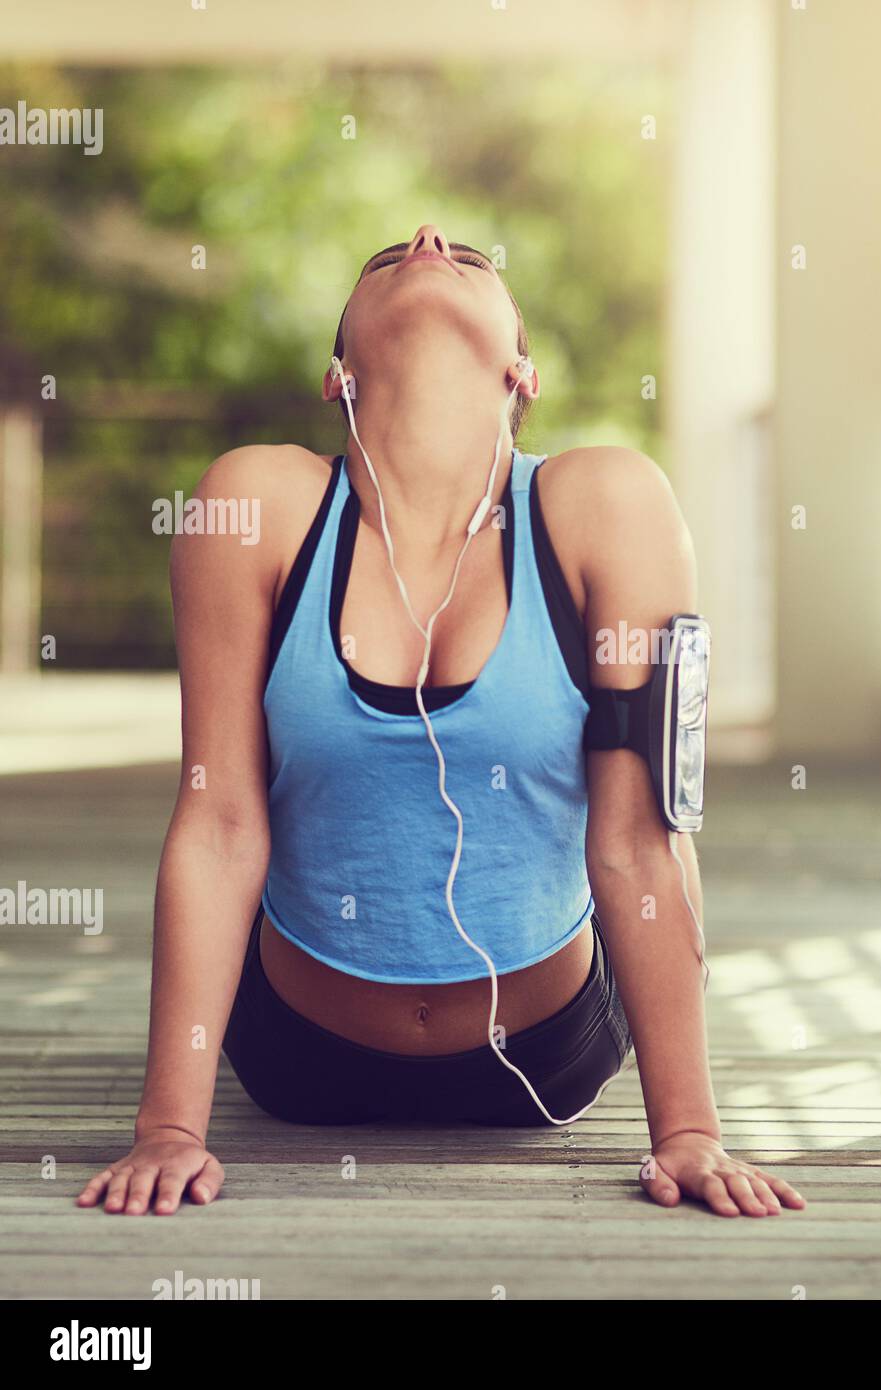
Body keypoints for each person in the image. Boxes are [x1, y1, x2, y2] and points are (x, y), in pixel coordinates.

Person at [76, 223, 805, 1220]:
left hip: (546, 1066)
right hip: (297, 1063)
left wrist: (687, 1131)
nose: (426, 237)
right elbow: (217, 823)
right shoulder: (252, 502)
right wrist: (168, 1128)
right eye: (386, 256)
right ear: (338, 376)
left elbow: (642, 840)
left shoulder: (609, 505)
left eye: (466, 251)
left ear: (524, 370)